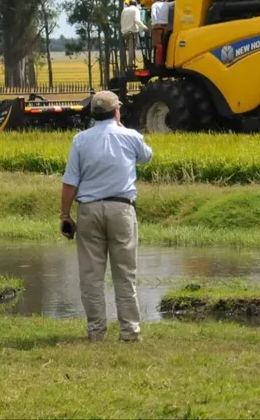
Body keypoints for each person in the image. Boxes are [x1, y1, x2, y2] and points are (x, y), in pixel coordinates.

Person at [59, 90, 152, 342]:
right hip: (121, 209)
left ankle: (96, 332)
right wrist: (122, 126)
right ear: (116, 111)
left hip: (88, 210)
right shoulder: (130, 136)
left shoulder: (80, 140)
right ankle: (130, 332)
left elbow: (70, 183)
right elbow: (147, 156)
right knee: (125, 273)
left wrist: (65, 214)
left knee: (91, 276)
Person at [119, 0, 146, 70]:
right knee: (132, 48)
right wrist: (144, 27)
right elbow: (137, 20)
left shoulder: (124, 10)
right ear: (136, 4)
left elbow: (121, 21)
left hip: (124, 32)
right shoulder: (135, 10)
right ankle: (130, 64)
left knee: (127, 48)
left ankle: (126, 63)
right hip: (132, 32)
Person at [150, 0, 169, 66]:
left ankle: (158, 63)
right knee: (164, 44)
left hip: (157, 26)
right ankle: (164, 61)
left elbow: (154, 15)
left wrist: (155, 24)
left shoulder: (154, 5)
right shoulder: (167, 5)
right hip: (165, 26)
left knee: (157, 44)